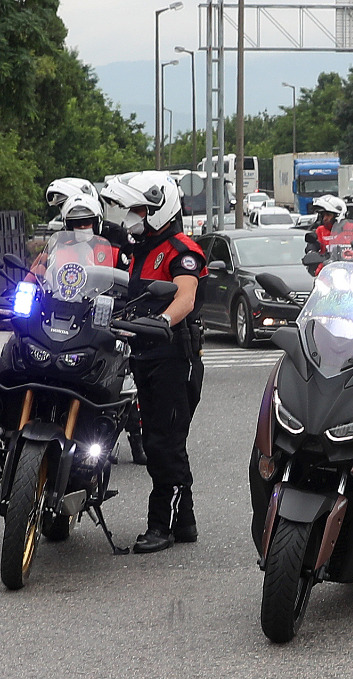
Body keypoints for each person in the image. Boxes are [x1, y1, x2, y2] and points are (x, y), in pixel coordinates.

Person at [99, 172, 208, 553]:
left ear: (161, 208)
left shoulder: (182, 249)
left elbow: (185, 297)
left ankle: (161, 525)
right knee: (161, 439)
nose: (135, 217)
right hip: (145, 355)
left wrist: (163, 320)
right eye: (133, 210)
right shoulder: (140, 249)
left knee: (164, 444)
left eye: (142, 210)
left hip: (175, 357)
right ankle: (186, 523)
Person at [304, 194, 353, 259]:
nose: (325, 219)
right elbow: (314, 244)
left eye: (328, 215)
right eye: (323, 215)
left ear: (338, 215)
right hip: (329, 269)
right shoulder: (321, 230)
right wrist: (311, 250)